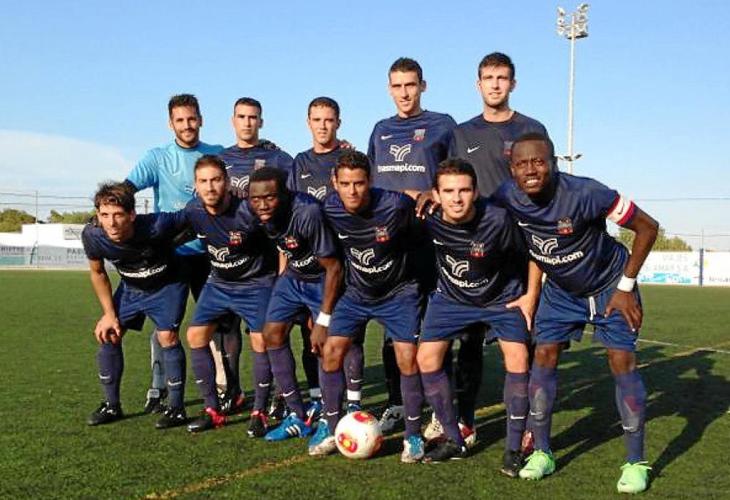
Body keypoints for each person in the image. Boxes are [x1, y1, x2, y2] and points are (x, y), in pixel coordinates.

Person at [494, 133, 658, 494]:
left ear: (554, 163)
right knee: (543, 355)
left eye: (539, 161)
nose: (531, 170)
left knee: (621, 361)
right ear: (512, 169)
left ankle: (635, 462)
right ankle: (543, 452)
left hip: (609, 285)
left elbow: (648, 227)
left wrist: (626, 287)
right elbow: (474, 213)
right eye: (522, 164)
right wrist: (432, 197)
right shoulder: (506, 195)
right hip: (561, 290)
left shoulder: (587, 193)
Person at [429, 52, 549, 444]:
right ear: (477, 84)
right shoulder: (461, 134)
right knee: (469, 343)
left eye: (502, 78)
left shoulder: (532, 129)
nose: (495, 84)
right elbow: (448, 179)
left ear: (513, 83)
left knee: (526, 344)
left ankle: (529, 425)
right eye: (488, 78)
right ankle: (465, 419)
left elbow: (546, 185)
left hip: (520, 250)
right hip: (473, 251)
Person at [417, 159, 537, 470]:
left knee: (519, 358)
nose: (457, 198)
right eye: (448, 191)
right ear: (435, 194)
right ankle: (454, 440)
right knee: (426, 358)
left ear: (476, 191)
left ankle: (514, 448)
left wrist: (530, 296)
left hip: (501, 298)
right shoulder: (427, 217)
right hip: (452, 299)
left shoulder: (498, 220)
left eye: (464, 190)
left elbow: (531, 254)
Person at [308, 150, 426, 463]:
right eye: (345, 184)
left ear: (370, 181)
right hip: (357, 293)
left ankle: (413, 435)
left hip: (399, 292)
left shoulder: (394, 205)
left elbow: (416, 207)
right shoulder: (330, 208)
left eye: (359, 183)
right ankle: (330, 426)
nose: (352, 191)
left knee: (407, 357)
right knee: (331, 351)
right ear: (334, 182)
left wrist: (426, 195)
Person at [124, 94, 232, 413]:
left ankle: (224, 386)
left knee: (218, 323)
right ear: (170, 124)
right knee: (164, 326)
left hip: (211, 255)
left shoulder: (218, 154)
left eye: (192, 118)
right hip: (171, 256)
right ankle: (158, 388)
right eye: (180, 120)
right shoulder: (157, 157)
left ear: (201, 119)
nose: (187, 125)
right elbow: (126, 190)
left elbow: (246, 173)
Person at [367, 57, 456, 432]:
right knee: (394, 326)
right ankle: (397, 403)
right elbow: (370, 182)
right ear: (389, 89)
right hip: (390, 242)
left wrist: (433, 191)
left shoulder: (442, 125)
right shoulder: (381, 129)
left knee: (435, 326)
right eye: (397, 86)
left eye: (410, 85)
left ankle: (440, 409)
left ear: (423, 86)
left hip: (429, 239)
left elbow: (457, 176)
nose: (404, 93)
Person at [244, 167, 343, 440]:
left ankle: (330, 416)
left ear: (285, 195)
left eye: (270, 198)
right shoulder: (257, 213)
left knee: (324, 344)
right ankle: (298, 415)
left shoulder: (308, 213)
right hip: (293, 276)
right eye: (255, 199)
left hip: (321, 278)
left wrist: (323, 320)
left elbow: (334, 267)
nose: (262, 205)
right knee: (271, 334)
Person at [181, 155, 278, 433]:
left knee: (260, 340)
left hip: (255, 283)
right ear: (195, 185)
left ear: (227, 181)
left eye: (215, 180)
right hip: (220, 283)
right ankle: (213, 410)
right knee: (195, 335)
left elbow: (279, 234)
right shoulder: (193, 211)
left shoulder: (247, 210)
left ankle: (259, 411)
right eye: (203, 181)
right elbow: (163, 226)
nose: (210, 187)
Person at [82, 182, 189, 429]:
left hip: (168, 284)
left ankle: (176, 408)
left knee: (167, 337)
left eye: (118, 215)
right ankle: (111, 405)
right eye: (104, 215)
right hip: (131, 287)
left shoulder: (157, 224)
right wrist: (109, 314)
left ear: (132, 214)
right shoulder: (92, 236)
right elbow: (98, 273)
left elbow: (194, 212)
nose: (111, 223)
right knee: (109, 333)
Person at [219, 97, 297, 419]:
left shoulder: (278, 158)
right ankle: (233, 389)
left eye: (253, 117)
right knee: (227, 326)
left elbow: (294, 194)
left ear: (261, 122)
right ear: (233, 120)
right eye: (242, 116)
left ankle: (280, 393)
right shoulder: (221, 159)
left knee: (271, 329)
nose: (247, 122)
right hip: (232, 255)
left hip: (267, 256)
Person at [290, 97, 364, 412]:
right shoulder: (300, 162)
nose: (323, 126)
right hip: (311, 264)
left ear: (338, 123)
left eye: (329, 120)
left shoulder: (348, 158)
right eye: (317, 120)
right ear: (308, 123)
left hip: (345, 260)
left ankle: (353, 404)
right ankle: (318, 399)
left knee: (349, 335)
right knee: (312, 331)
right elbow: (292, 213)